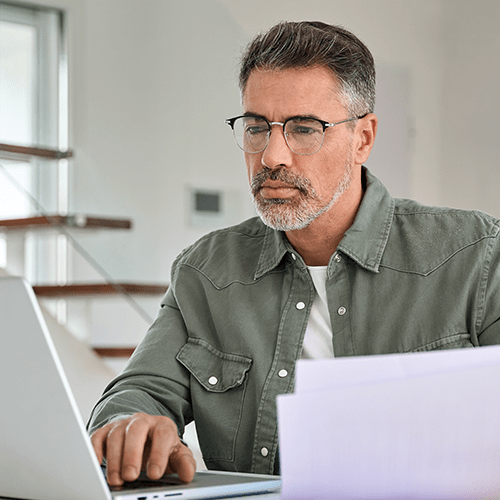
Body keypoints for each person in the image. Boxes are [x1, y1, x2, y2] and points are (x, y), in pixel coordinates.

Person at [88, 20, 500, 486]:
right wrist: (131, 426)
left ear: (363, 139)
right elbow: (138, 393)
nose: (271, 156)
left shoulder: (476, 256)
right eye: (257, 128)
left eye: (304, 129)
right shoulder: (206, 272)